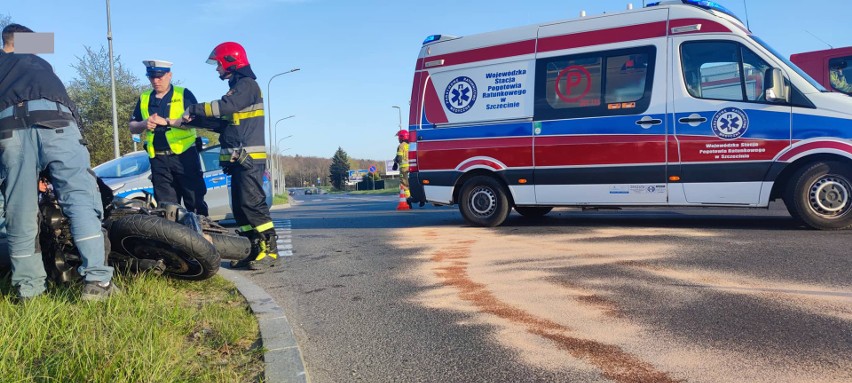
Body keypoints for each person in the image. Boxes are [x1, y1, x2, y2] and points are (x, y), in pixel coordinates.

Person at [0, 24, 116, 301]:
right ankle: (97, 283)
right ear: (25, 43)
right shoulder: (41, 64)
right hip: (58, 123)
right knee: (78, 199)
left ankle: (29, 292)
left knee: (19, 210)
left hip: (8, 129)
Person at [183, 42, 278, 270]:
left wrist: (194, 109)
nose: (217, 69)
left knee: (252, 204)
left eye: (218, 64)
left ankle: (271, 252)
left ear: (231, 62)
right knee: (240, 207)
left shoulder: (247, 85)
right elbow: (224, 122)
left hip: (249, 160)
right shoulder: (237, 87)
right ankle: (253, 249)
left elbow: (227, 106)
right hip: (238, 160)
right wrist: (195, 121)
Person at [129, 60, 208, 216]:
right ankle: (173, 240)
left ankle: (202, 237)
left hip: (184, 157)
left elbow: (198, 122)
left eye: (160, 77)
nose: (155, 81)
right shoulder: (144, 97)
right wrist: (144, 124)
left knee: (195, 202)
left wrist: (166, 122)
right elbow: (132, 126)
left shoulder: (183, 94)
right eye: (151, 77)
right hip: (158, 160)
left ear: (169, 75)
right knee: (166, 209)